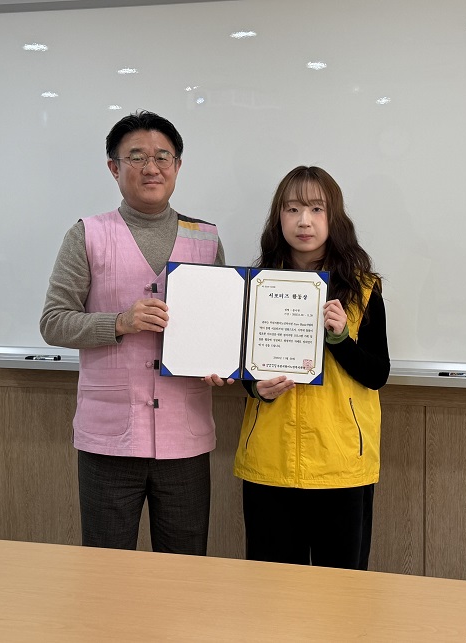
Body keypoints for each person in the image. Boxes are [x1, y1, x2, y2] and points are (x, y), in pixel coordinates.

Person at [40, 110, 225, 555]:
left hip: (185, 437)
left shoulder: (206, 239)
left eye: (163, 157)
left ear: (178, 165)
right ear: (114, 167)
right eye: (136, 157)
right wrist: (118, 323)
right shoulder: (87, 235)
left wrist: (222, 363)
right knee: (106, 569)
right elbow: (53, 321)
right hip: (109, 440)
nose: (151, 167)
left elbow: (221, 326)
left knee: (184, 568)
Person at [210, 166, 390, 570]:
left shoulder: (363, 288)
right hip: (269, 462)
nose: (304, 221)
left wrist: (340, 339)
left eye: (316, 208)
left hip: (340, 464)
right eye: (292, 209)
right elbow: (244, 367)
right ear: (279, 218)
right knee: (271, 592)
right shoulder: (255, 286)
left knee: (339, 593)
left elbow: (377, 373)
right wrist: (256, 388)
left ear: (334, 217)